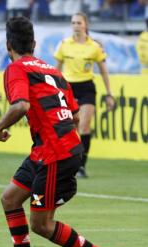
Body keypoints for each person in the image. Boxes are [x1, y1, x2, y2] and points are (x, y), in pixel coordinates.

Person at [0, 16, 119, 247]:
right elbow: (73, 115)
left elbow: (21, 105)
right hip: (50, 148)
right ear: (35, 44)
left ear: (8, 46)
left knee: (41, 224)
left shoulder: (17, 69)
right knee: (10, 199)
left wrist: (0, 126)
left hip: (54, 153)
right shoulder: (53, 71)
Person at [54, 12, 115, 178]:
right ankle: (70, 163)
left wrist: (110, 93)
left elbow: (103, 71)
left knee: (85, 125)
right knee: (71, 128)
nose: (76, 26)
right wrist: (54, 90)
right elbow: (56, 70)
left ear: (85, 25)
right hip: (68, 88)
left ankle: (81, 166)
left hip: (87, 87)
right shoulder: (64, 44)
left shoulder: (94, 47)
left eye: (79, 23)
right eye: (73, 23)